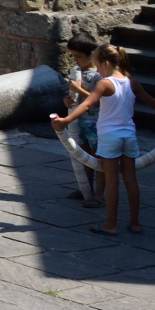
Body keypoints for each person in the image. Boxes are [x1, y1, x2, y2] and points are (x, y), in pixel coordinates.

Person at [51, 43, 155, 235]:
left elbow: (88, 104)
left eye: (98, 66)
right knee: (131, 180)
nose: (98, 71)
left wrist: (66, 120)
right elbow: (151, 101)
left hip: (109, 137)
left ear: (106, 63)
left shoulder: (104, 83)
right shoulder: (131, 82)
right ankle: (135, 223)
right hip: (129, 136)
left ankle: (111, 224)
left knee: (112, 181)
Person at [62, 35, 104, 207]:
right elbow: (74, 97)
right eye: (73, 56)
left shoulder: (99, 75)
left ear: (91, 55)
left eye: (78, 56)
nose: (75, 60)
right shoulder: (78, 72)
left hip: (96, 123)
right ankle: (85, 187)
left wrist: (79, 89)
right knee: (84, 156)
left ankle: (99, 194)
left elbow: (100, 100)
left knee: (99, 159)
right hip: (80, 123)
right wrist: (67, 100)